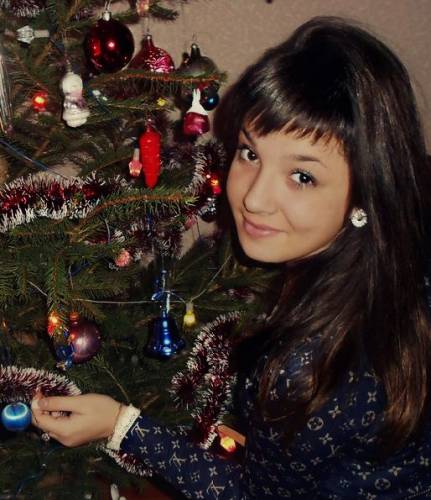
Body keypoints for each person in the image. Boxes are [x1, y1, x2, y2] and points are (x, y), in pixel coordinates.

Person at [32, 16, 431, 498]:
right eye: (250, 153)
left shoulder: (309, 368)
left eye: (302, 176)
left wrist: (120, 426)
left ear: (369, 189)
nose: (253, 198)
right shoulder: (404, 260)